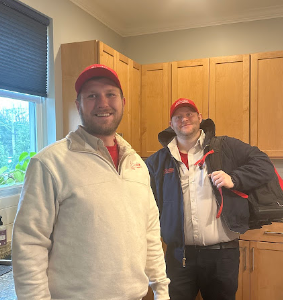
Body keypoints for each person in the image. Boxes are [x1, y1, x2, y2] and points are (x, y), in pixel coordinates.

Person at [12, 64, 170, 300]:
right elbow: (29, 244)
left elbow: (149, 233)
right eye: (92, 96)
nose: (103, 103)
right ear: (78, 105)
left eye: (110, 94)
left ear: (123, 102)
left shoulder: (136, 164)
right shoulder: (49, 163)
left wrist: (161, 290)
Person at [145, 98, 275, 300]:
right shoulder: (157, 161)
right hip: (179, 257)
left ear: (200, 117)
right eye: (178, 116)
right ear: (171, 124)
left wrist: (235, 179)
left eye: (189, 114)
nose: (184, 119)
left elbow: (264, 164)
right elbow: (146, 204)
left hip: (222, 256)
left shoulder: (225, 147)